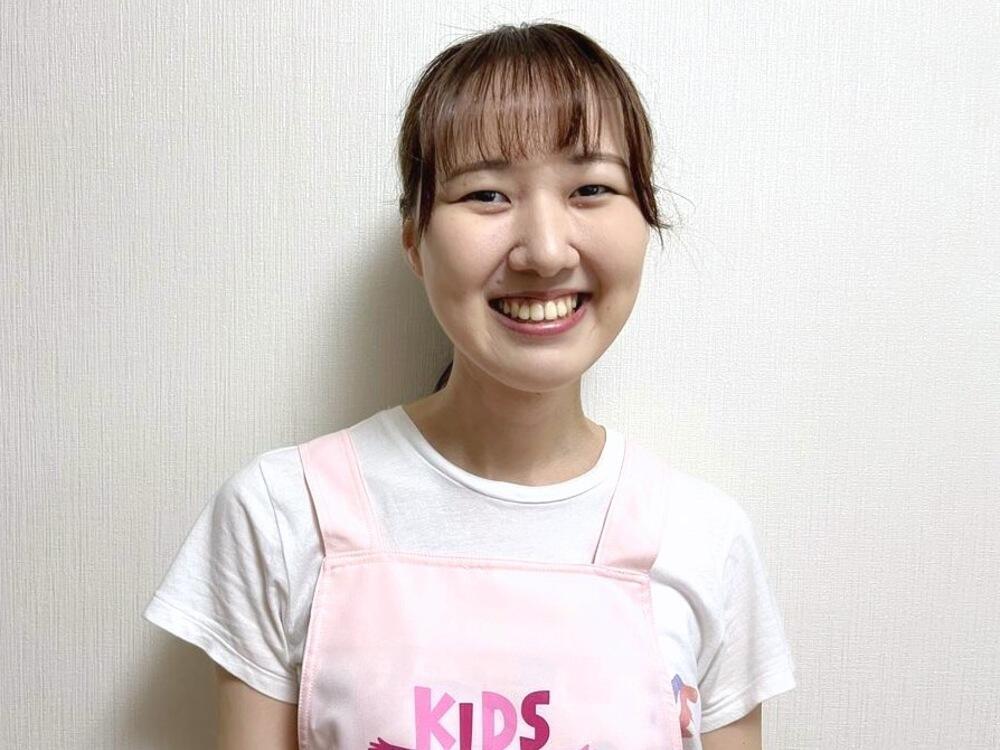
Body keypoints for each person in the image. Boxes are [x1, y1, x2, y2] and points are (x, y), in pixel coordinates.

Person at [143, 21, 796, 750]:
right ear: (414, 240)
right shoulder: (281, 514)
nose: (544, 251)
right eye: (486, 194)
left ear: (645, 219)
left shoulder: (706, 541)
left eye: (591, 188)